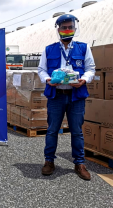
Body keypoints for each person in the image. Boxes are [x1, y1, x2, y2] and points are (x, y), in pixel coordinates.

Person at [38, 14, 95, 180]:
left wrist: (84, 79)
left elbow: (91, 68)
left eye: (70, 27)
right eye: (64, 27)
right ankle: (49, 161)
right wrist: (48, 80)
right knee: (52, 130)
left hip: (76, 96)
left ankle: (79, 163)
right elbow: (41, 70)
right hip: (56, 96)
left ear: (75, 28)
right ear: (59, 30)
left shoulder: (83, 48)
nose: (67, 30)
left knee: (77, 131)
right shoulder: (49, 49)